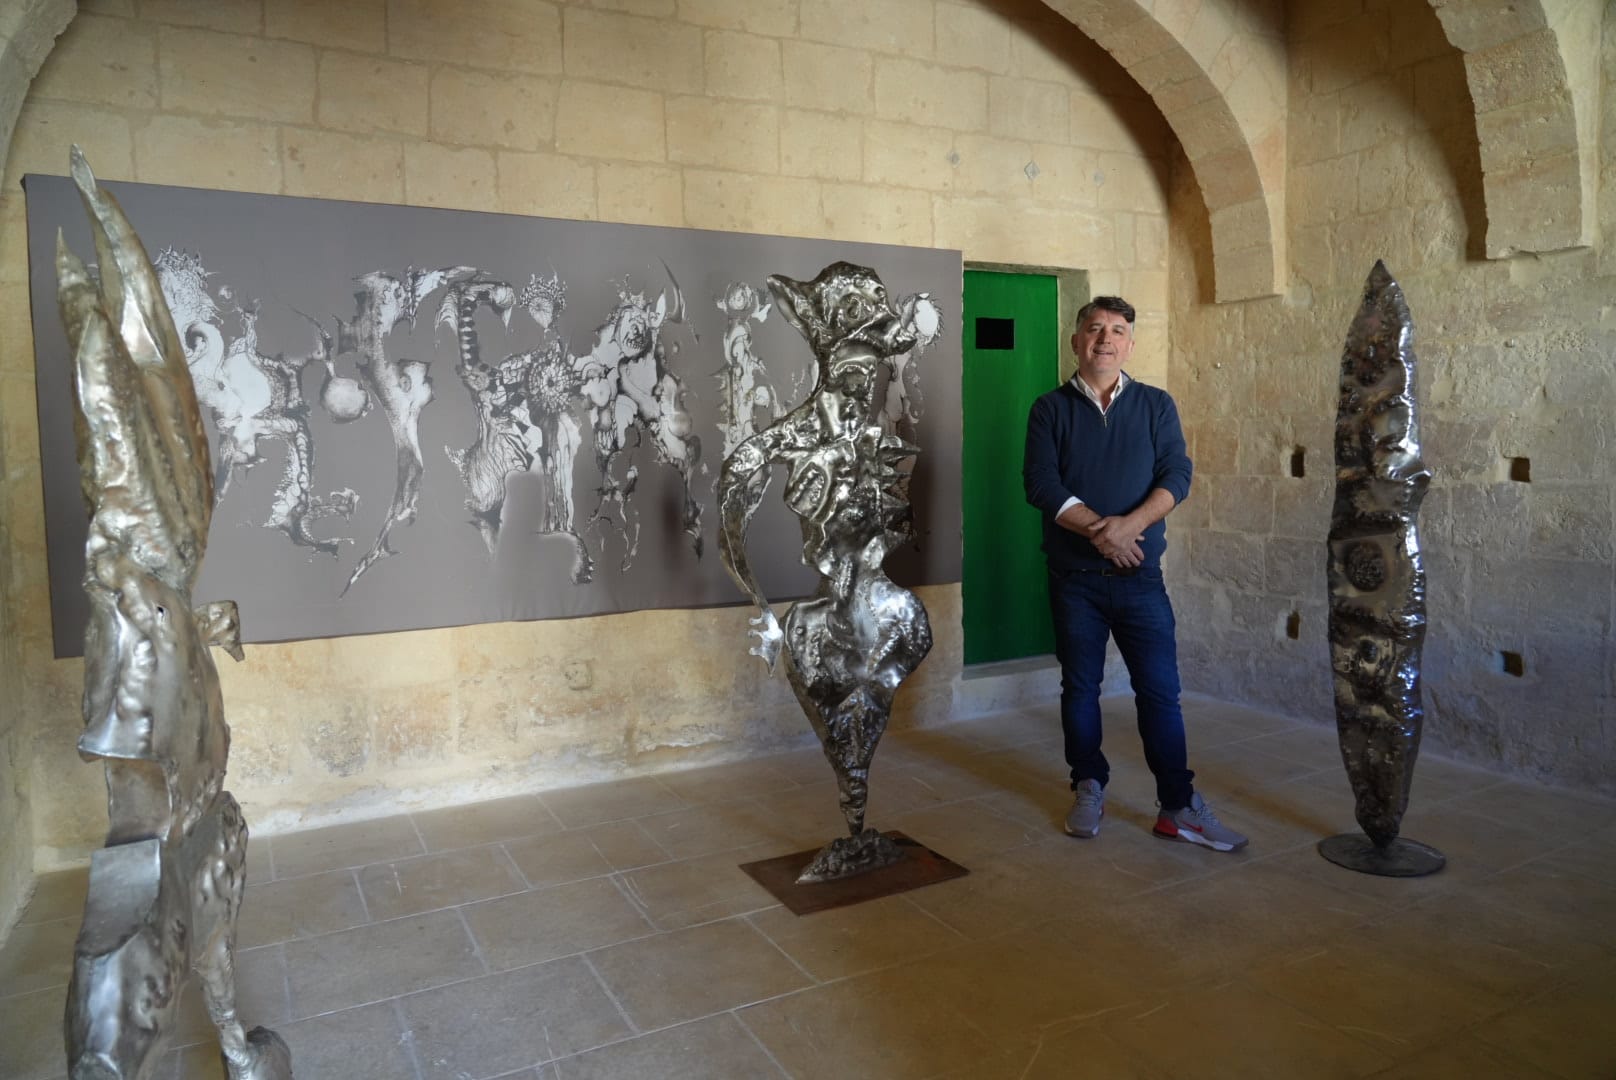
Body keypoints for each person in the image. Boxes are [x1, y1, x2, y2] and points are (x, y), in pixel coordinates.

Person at [1022, 296, 1247, 852]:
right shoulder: (1049, 409)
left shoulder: (1155, 405)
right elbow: (1042, 484)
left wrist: (1130, 528)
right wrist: (1105, 532)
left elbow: (1177, 474)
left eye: (1118, 330)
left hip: (1141, 580)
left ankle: (1177, 807)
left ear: (1130, 344)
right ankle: (1088, 785)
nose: (1106, 339)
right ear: (1076, 341)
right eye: (1095, 328)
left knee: (1161, 693)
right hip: (1075, 578)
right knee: (1081, 688)